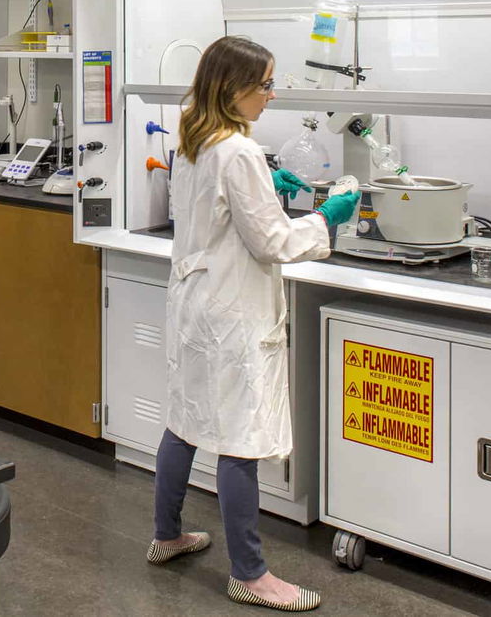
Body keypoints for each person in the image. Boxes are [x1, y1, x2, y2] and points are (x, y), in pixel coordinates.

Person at [147, 36, 357, 612]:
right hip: (232, 313)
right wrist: (324, 219)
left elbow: (221, 206)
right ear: (232, 87)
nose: (271, 94)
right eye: (263, 84)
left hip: (195, 302)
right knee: (240, 438)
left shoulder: (193, 136)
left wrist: (268, 178)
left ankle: (167, 536)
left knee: (185, 422)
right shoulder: (235, 150)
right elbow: (270, 242)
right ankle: (251, 574)